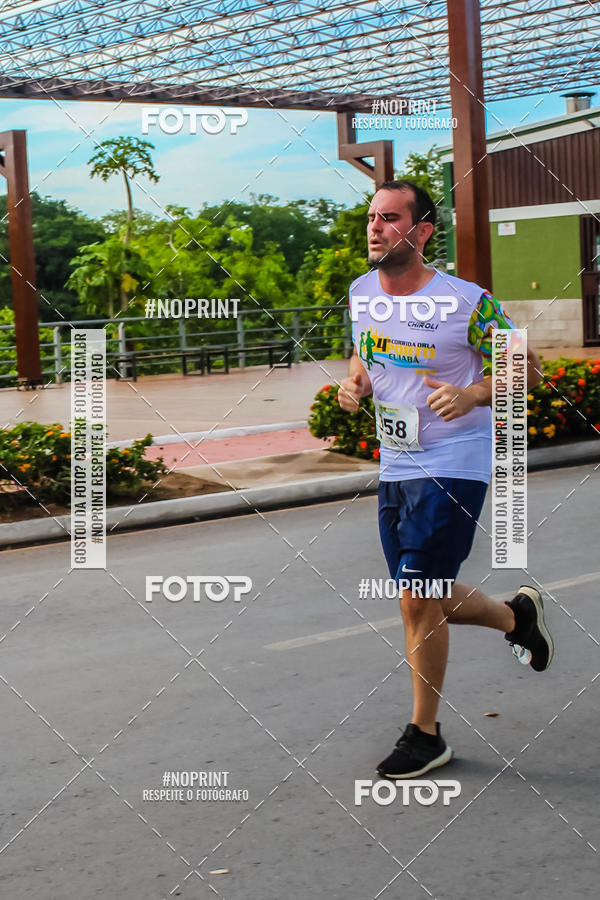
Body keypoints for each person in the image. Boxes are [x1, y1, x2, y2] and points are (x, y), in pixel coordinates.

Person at [339, 179, 553, 780]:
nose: (375, 227)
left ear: (422, 230)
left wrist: (476, 392)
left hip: (455, 458)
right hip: (396, 459)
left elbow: (527, 369)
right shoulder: (362, 292)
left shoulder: (467, 300)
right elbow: (363, 352)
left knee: (415, 595)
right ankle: (517, 618)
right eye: (371, 217)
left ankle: (424, 734)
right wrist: (353, 381)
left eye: (389, 217)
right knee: (421, 596)